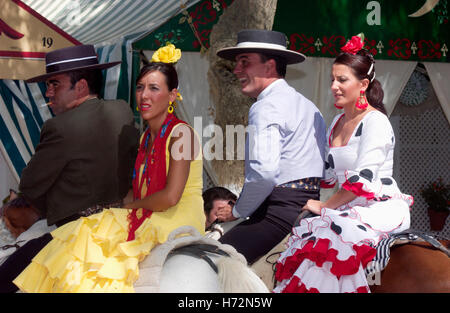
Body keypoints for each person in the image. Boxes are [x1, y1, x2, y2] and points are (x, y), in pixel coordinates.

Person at [13, 43, 206, 292]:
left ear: (172, 95)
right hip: (147, 214)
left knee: (82, 244)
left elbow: (170, 196)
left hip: (172, 219)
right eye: (140, 87)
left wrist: (126, 209)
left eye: (154, 88)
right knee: (83, 240)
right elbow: (133, 186)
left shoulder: (183, 134)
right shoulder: (144, 135)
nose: (144, 95)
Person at [274, 34, 413, 293]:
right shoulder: (335, 124)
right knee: (310, 235)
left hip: (379, 209)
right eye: (332, 80)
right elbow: (325, 177)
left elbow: (359, 182)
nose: (334, 86)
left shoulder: (376, 122)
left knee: (330, 235)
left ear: (363, 84)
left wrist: (325, 206)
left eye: (342, 79)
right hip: (345, 210)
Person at [0, 45, 139, 293]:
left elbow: (30, 185)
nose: (47, 92)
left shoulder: (59, 127)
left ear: (82, 86)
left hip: (78, 230)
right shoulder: (122, 110)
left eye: (55, 84)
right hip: (122, 221)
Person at [215, 29, 327, 265]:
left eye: (245, 62)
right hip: (307, 206)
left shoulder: (265, 106)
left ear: (269, 67)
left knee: (209, 262)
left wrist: (237, 211)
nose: (237, 70)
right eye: (237, 63)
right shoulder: (309, 106)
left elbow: (264, 174)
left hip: (278, 213)